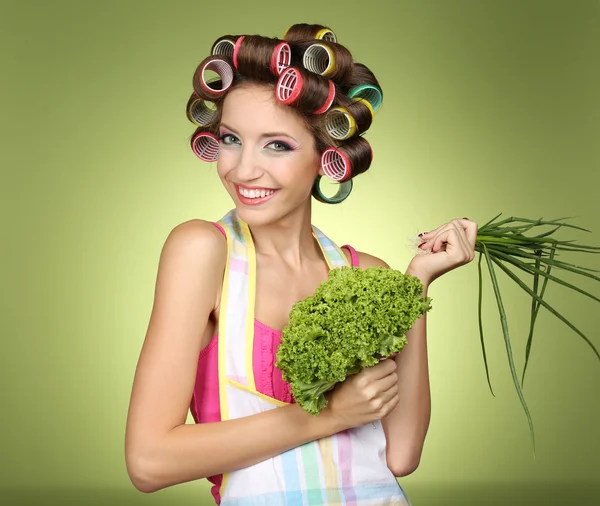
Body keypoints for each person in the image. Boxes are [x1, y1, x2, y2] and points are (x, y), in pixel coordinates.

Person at [125, 23, 477, 505]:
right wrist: (328, 415)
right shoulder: (202, 252)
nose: (243, 169)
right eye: (231, 139)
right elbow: (148, 461)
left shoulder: (366, 275)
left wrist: (414, 284)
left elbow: (401, 456)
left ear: (326, 157)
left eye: (277, 145)